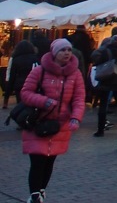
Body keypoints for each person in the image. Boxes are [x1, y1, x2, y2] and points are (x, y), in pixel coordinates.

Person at [20, 38, 85, 203]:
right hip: (38, 121)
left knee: (50, 160)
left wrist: (76, 117)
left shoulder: (75, 74)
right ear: (54, 53)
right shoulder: (39, 71)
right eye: (63, 50)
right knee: (38, 160)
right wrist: (44, 101)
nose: (67, 53)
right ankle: (35, 195)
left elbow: (79, 98)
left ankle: (41, 192)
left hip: (59, 125)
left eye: (69, 50)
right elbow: (26, 92)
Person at [90, 33, 117, 137]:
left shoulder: (106, 51)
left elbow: (96, 60)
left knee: (103, 105)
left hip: (106, 80)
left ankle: (101, 130)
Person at [8, 40, 39, 106]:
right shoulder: (35, 58)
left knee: (20, 103)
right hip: (32, 83)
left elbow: (12, 76)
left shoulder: (16, 60)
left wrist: (7, 94)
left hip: (19, 83)